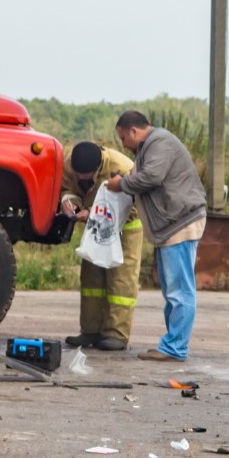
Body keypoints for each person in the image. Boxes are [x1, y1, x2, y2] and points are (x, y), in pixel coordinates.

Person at [110, 110, 207, 363]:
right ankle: (171, 344)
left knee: (180, 291)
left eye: (123, 138)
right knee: (172, 290)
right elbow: (140, 178)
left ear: (134, 131)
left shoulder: (159, 143)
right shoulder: (148, 149)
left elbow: (152, 177)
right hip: (170, 227)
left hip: (180, 224)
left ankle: (175, 348)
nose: (123, 144)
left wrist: (121, 184)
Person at [63, 141, 140, 351]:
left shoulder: (123, 167)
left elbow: (134, 202)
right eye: (79, 174)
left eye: (86, 175)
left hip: (125, 226)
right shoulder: (70, 165)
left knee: (121, 281)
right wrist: (70, 203)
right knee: (91, 280)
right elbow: (68, 188)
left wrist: (93, 212)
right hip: (95, 227)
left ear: (97, 168)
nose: (82, 178)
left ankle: (116, 335)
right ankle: (90, 331)